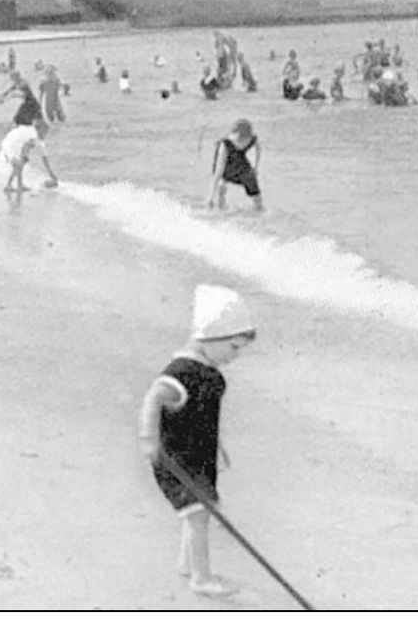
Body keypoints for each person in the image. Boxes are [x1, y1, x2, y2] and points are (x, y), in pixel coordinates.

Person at [137, 284, 257, 597]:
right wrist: (148, 437)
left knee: (198, 510)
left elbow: (202, 416)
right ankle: (201, 578)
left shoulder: (208, 372)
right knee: (199, 513)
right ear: (211, 337)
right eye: (233, 347)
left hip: (198, 458)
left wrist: (217, 444)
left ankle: (187, 563)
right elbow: (155, 396)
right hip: (176, 459)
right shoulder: (184, 372)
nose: (237, 355)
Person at [208, 119, 262, 211]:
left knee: (253, 185)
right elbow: (218, 171)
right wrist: (211, 197)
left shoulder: (252, 138)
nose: (241, 141)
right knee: (221, 186)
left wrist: (256, 167)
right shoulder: (226, 143)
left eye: (245, 138)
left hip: (241, 162)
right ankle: (220, 209)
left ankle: (259, 210)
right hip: (226, 164)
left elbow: (258, 149)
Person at [0, 119, 58, 192]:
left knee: (22, 161)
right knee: (18, 165)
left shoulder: (31, 133)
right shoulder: (35, 138)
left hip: (10, 141)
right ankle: (9, 185)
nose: (46, 135)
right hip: (11, 145)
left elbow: (25, 144)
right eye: (46, 132)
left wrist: (25, 155)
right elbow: (44, 158)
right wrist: (51, 174)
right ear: (40, 130)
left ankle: (19, 184)